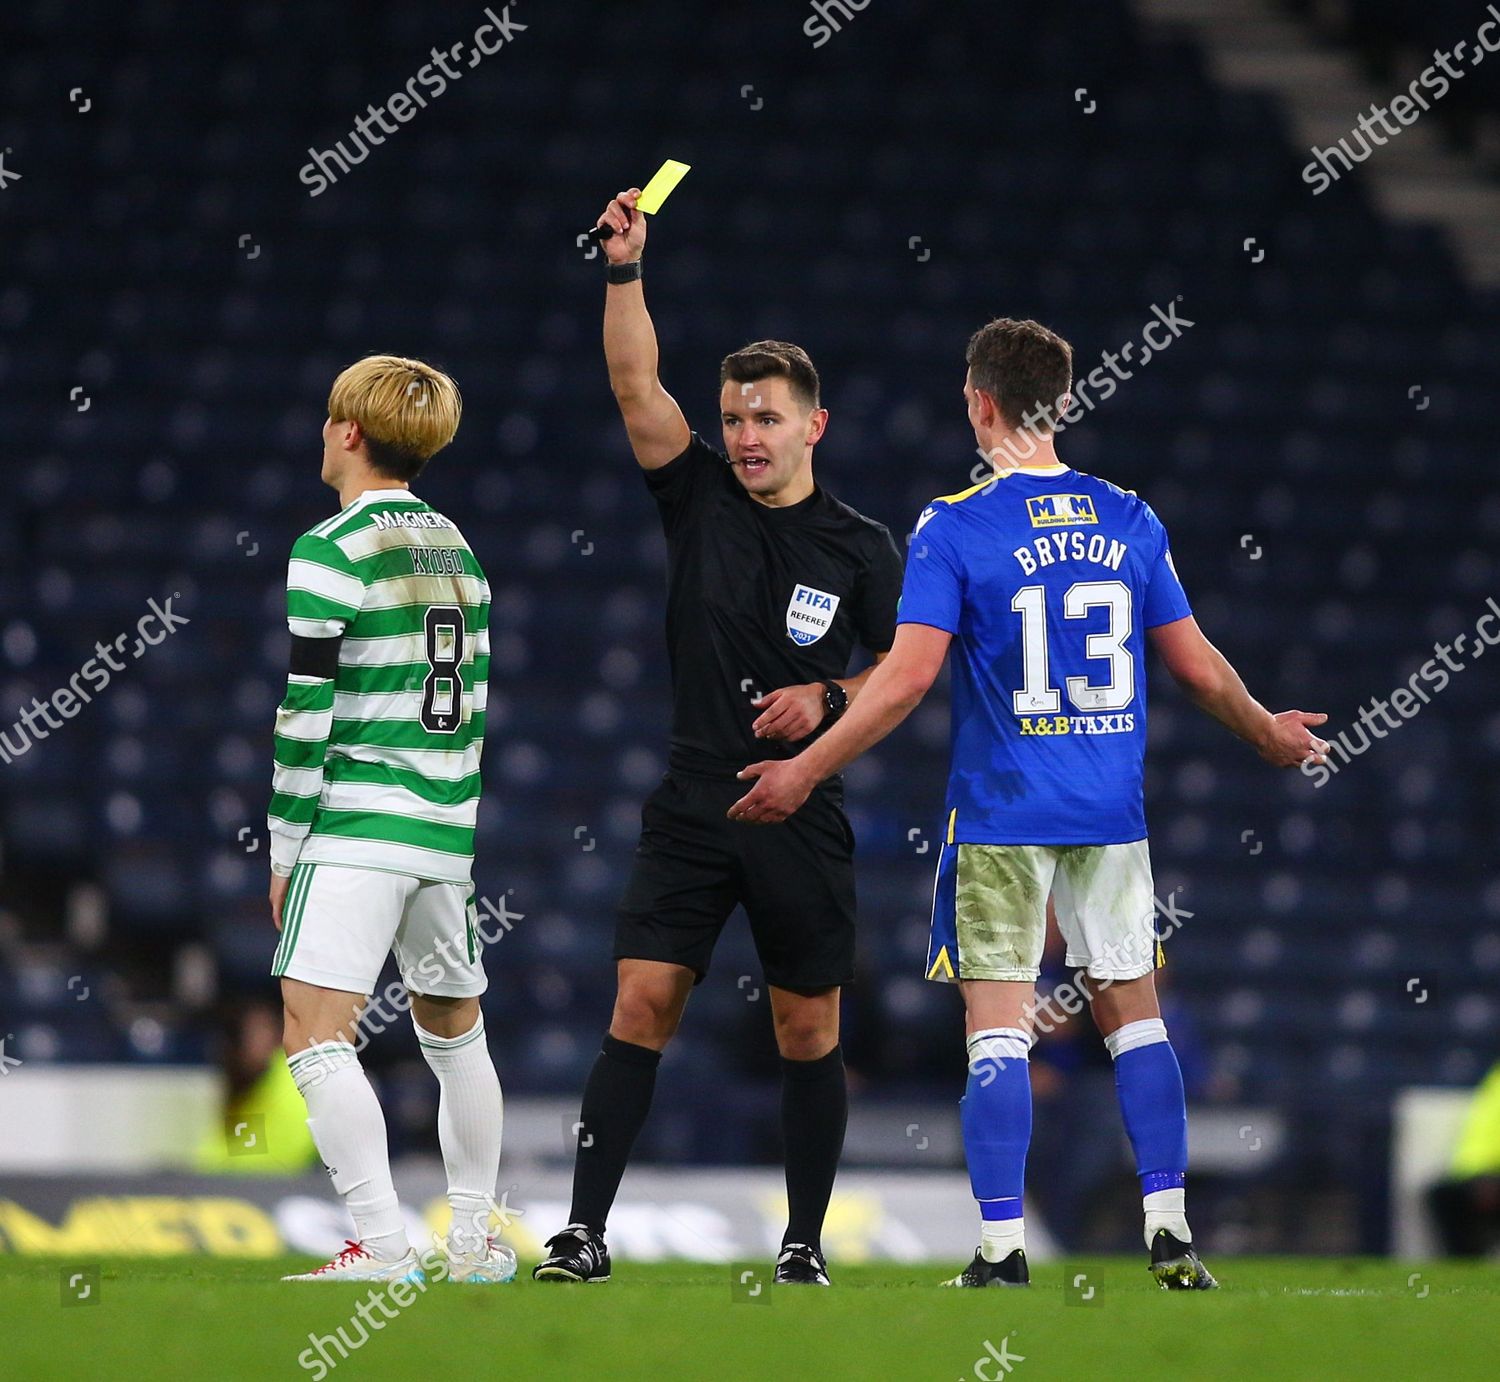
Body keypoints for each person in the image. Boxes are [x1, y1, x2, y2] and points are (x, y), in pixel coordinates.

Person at [729, 317, 1330, 1289]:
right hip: (1109, 814)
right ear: (1062, 401)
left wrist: (807, 765)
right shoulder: (1128, 516)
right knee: (1137, 1022)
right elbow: (1197, 666)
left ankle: (1003, 1247)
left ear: (981, 402)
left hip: (1003, 815)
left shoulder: (955, 525)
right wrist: (1266, 731)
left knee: (999, 1032)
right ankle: (1171, 1232)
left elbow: (905, 680)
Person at [532, 188, 904, 1287]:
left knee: (805, 1028)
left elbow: (892, 672)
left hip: (802, 802)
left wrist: (825, 706)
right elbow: (632, 381)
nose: (745, 435)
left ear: (813, 426)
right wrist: (624, 269)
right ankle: (583, 1231)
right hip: (695, 798)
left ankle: (801, 1242)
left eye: (766, 418)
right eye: (735, 417)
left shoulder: (864, 546)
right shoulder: (695, 494)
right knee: (640, 1005)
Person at [267, 354, 512, 1284]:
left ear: (350, 432)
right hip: (444, 830)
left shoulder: (329, 549)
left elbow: (304, 716)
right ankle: (477, 1242)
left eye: (332, 418)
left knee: (313, 1029)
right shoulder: (459, 550)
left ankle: (381, 1242)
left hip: (359, 822)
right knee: (456, 1033)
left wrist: (287, 844)